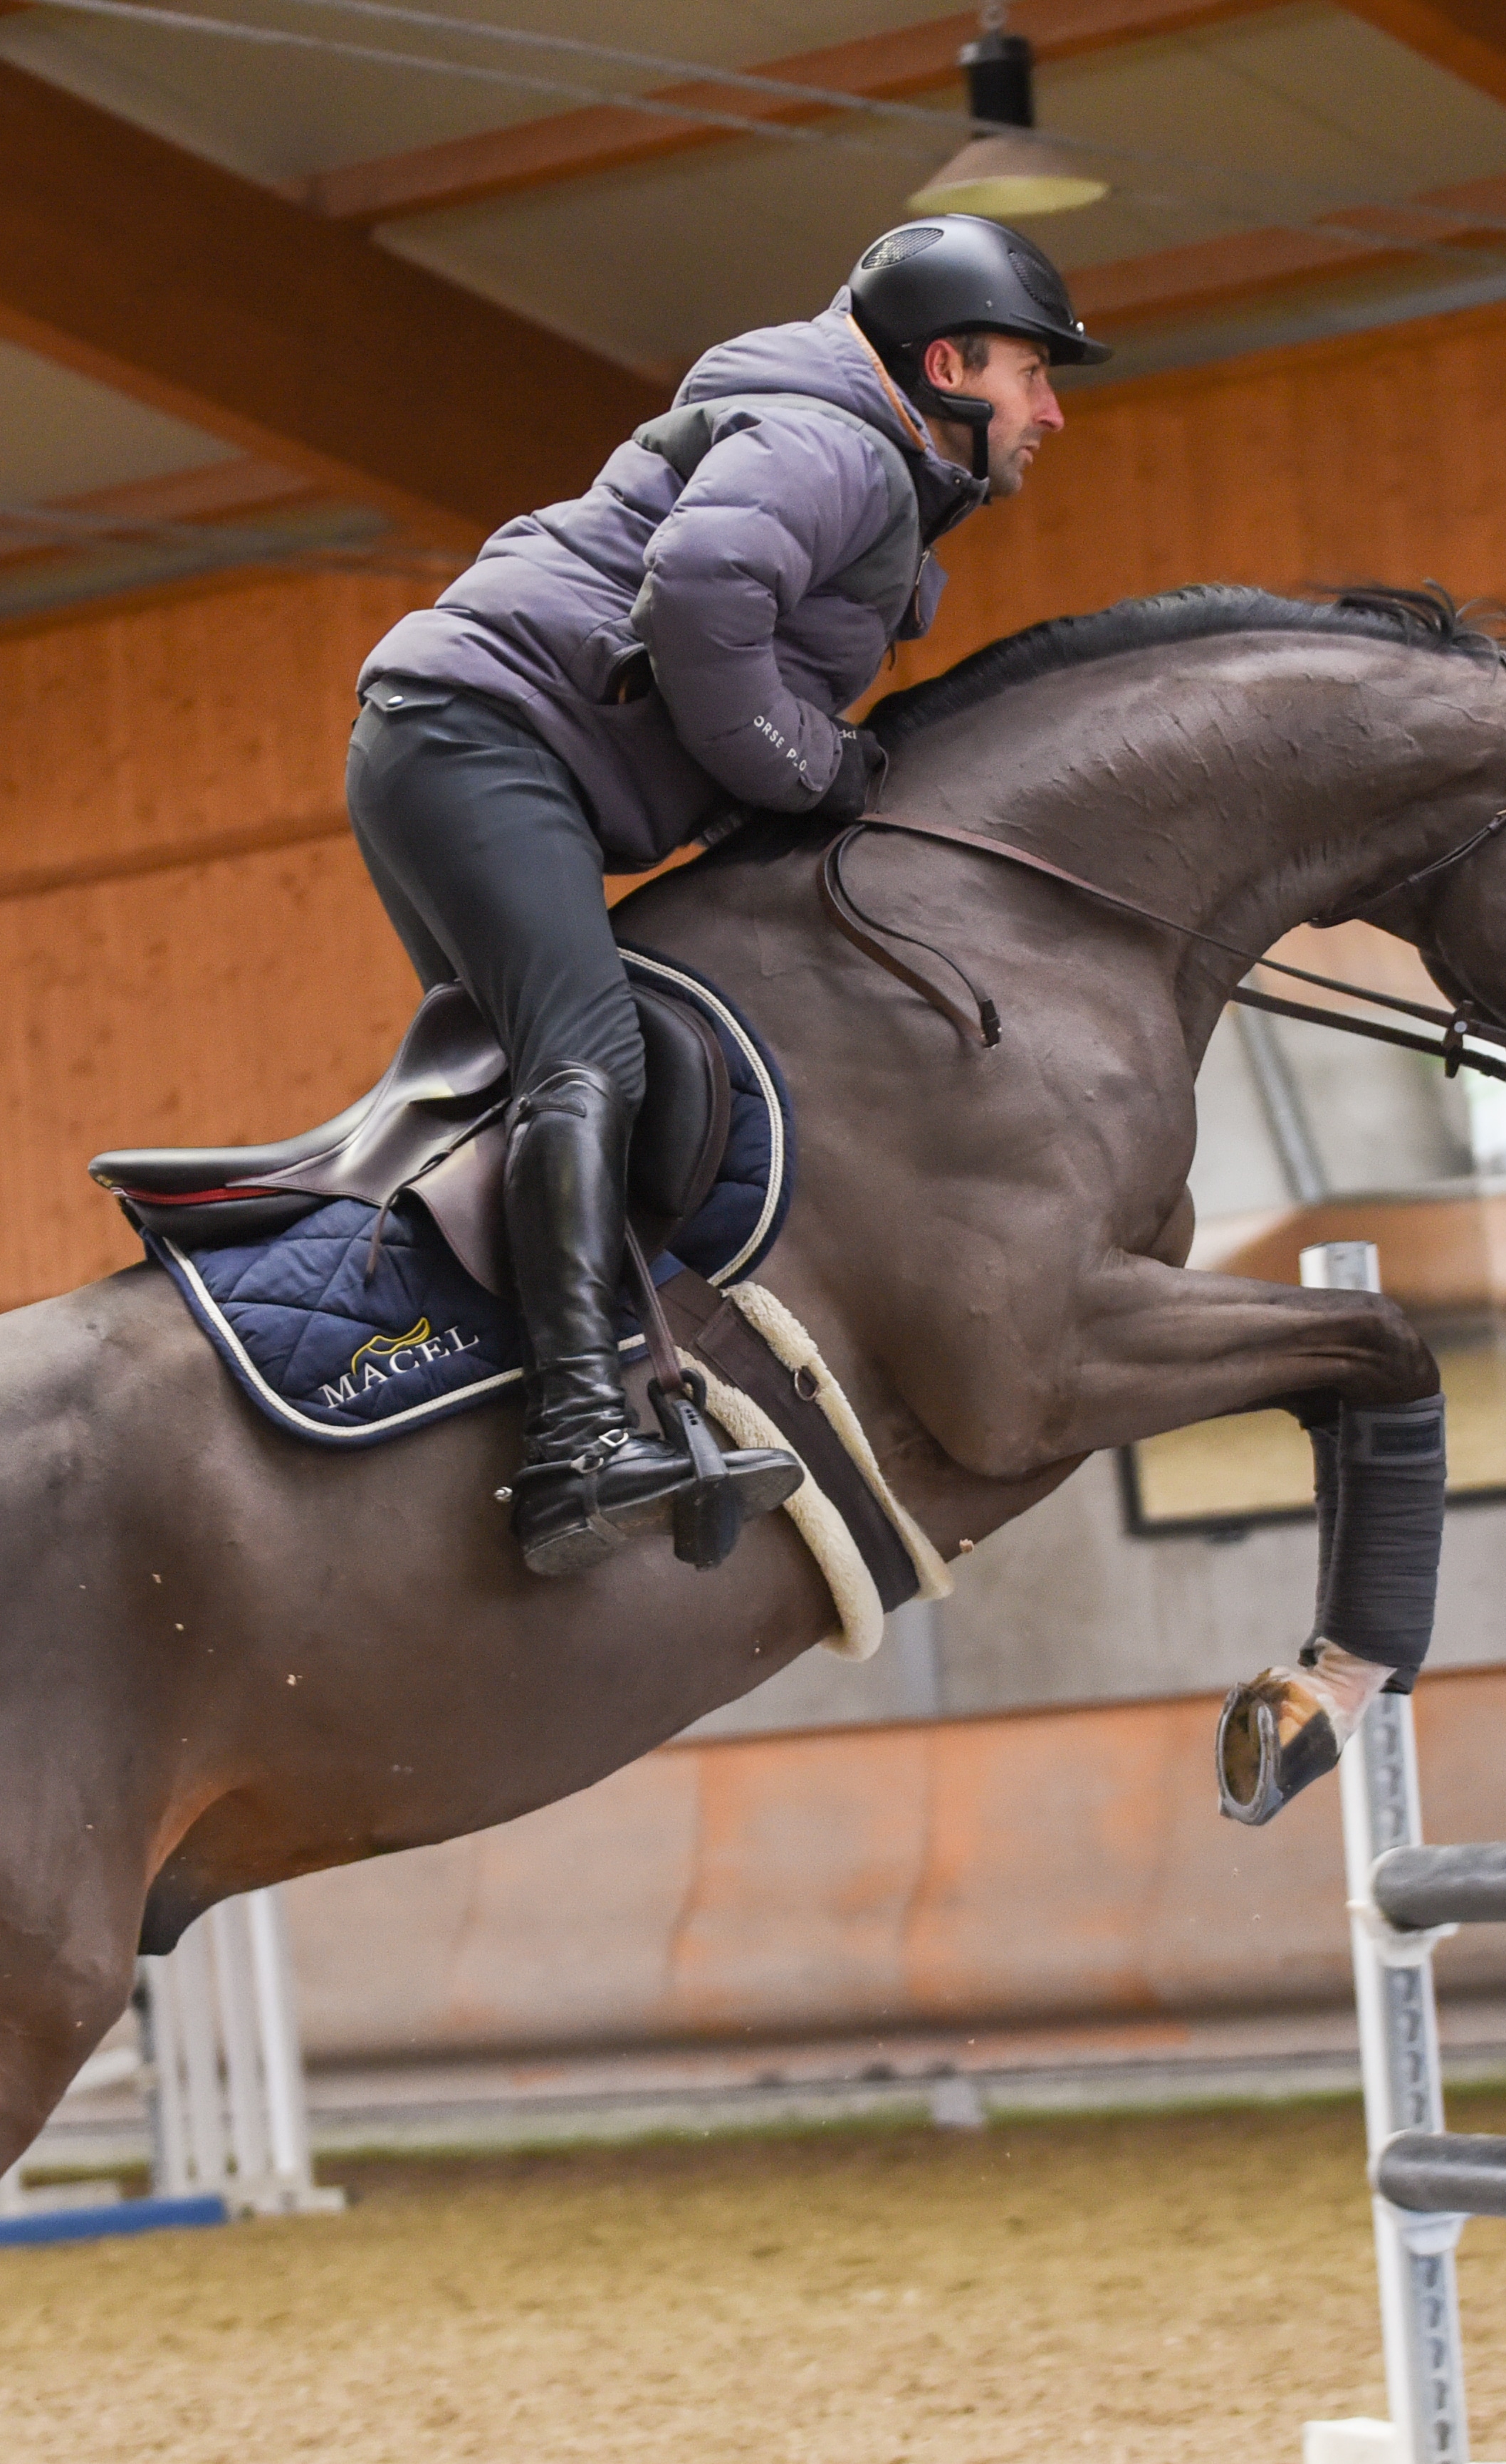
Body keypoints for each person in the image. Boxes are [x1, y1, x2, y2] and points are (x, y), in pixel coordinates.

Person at [352, 216, 1107, 1576]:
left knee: (538, 1081)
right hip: (481, 745)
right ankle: (579, 1440)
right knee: (587, 1061)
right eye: (1029, 375)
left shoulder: (844, 447)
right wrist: (811, 764)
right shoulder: (844, 450)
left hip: (449, 742)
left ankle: (552, 1392)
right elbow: (701, 589)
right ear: (944, 365)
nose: (1050, 408)